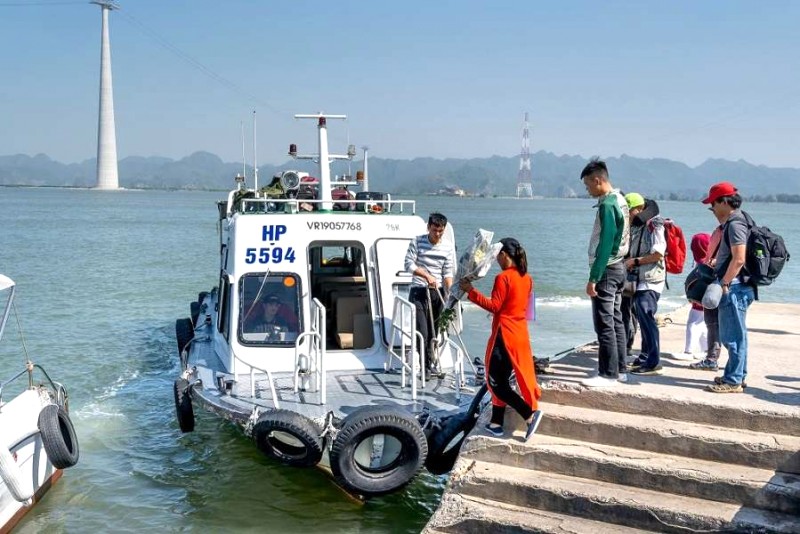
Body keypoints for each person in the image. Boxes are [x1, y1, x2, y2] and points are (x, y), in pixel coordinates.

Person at [459, 237, 542, 440]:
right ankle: (496, 423)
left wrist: (471, 291)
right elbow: (525, 309)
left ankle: (529, 415)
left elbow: (494, 306)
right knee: (501, 378)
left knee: (495, 382)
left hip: (504, 335)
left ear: (504, 255)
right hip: (520, 333)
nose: (496, 261)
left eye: (497, 257)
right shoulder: (527, 278)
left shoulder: (503, 278)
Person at [579, 159, 630, 387]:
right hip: (620, 267)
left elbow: (606, 243)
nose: (587, 189)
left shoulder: (608, 204)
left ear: (598, 180)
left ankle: (607, 373)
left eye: (588, 185)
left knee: (604, 323)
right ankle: (620, 369)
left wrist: (593, 278)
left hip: (608, 270)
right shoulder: (621, 200)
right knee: (617, 319)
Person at [701, 182, 754, 393]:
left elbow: (739, 259)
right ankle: (737, 376)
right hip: (741, 285)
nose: (712, 208)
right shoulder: (743, 219)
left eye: (713, 203)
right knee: (738, 335)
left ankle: (732, 381)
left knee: (732, 336)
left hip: (735, 288)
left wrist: (724, 283)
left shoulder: (735, 224)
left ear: (724, 201)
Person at [404, 212, 455, 378]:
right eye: (434, 230)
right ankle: (425, 367)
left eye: (440, 231)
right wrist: (426, 276)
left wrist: (450, 293)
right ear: (429, 227)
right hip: (419, 291)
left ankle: (431, 363)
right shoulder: (417, 241)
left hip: (437, 292)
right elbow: (408, 264)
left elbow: (447, 272)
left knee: (435, 333)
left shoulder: (447, 247)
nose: (437, 234)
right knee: (423, 331)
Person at [624, 193, 666, 376]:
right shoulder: (638, 226)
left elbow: (658, 254)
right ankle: (644, 357)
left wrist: (636, 261)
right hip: (640, 280)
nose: (628, 215)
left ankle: (653, 362)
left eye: (629, 211)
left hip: (651, 280)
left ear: (639, 209)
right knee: (642, 318)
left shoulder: (654, 225)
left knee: (647, 318)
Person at [689, 226, 724, 371]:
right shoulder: (725, 231)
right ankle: (712, 357)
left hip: (718, 285)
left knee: (714, 324)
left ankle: (712, 359)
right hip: (721, 284)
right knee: (713, 324)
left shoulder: (727, 230)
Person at [675, 232, 711, 360]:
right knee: (702, 324)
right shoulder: (710, 259)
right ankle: (705, 350)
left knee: (693, 322)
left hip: (699, 299)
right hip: (707, 300)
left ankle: (688, 351)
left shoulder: (702, 263)